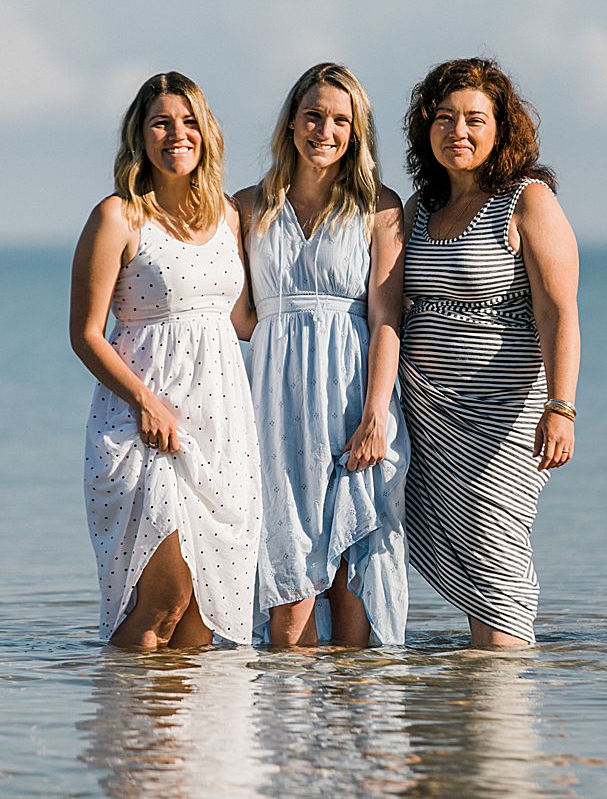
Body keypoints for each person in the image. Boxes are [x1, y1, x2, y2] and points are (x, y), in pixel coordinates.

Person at [70, 72, 261, 648]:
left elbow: (246, 321)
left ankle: (180, 740)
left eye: (188, 122)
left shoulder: (229, 218)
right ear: (140, 136)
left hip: (223, 429)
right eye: (161, 122)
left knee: (203, 621)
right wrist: (146, 403)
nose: (176, 134)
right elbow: (85, 334)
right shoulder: (118, 217)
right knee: (163, 601)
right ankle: (122, 731)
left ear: (206, 133)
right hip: (145, 426)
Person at [399, 57, 580, 647]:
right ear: (426, 129)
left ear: (501, 128)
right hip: (423, 412)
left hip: (499, 414)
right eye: (445, 118)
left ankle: (506, 703)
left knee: (496, 548)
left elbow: (558, 311)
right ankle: (469, 708)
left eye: (475, 119)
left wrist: (562, 406)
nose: (460, 131)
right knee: (451, 544)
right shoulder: (418, 209)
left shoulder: (527, 201)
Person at [235, 63, 409, 647]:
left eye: (341, 119)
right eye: (313, 115)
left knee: (352, 570)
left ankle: (360, 726)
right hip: (274, 405)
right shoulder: (247, 207)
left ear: (357, 131)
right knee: (287, 581)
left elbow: (387, 320)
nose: (324, 130)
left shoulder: (380, 207)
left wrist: (375, 417)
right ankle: (290, 731)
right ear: (291, 123)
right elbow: (237, 314)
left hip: (353, 397)